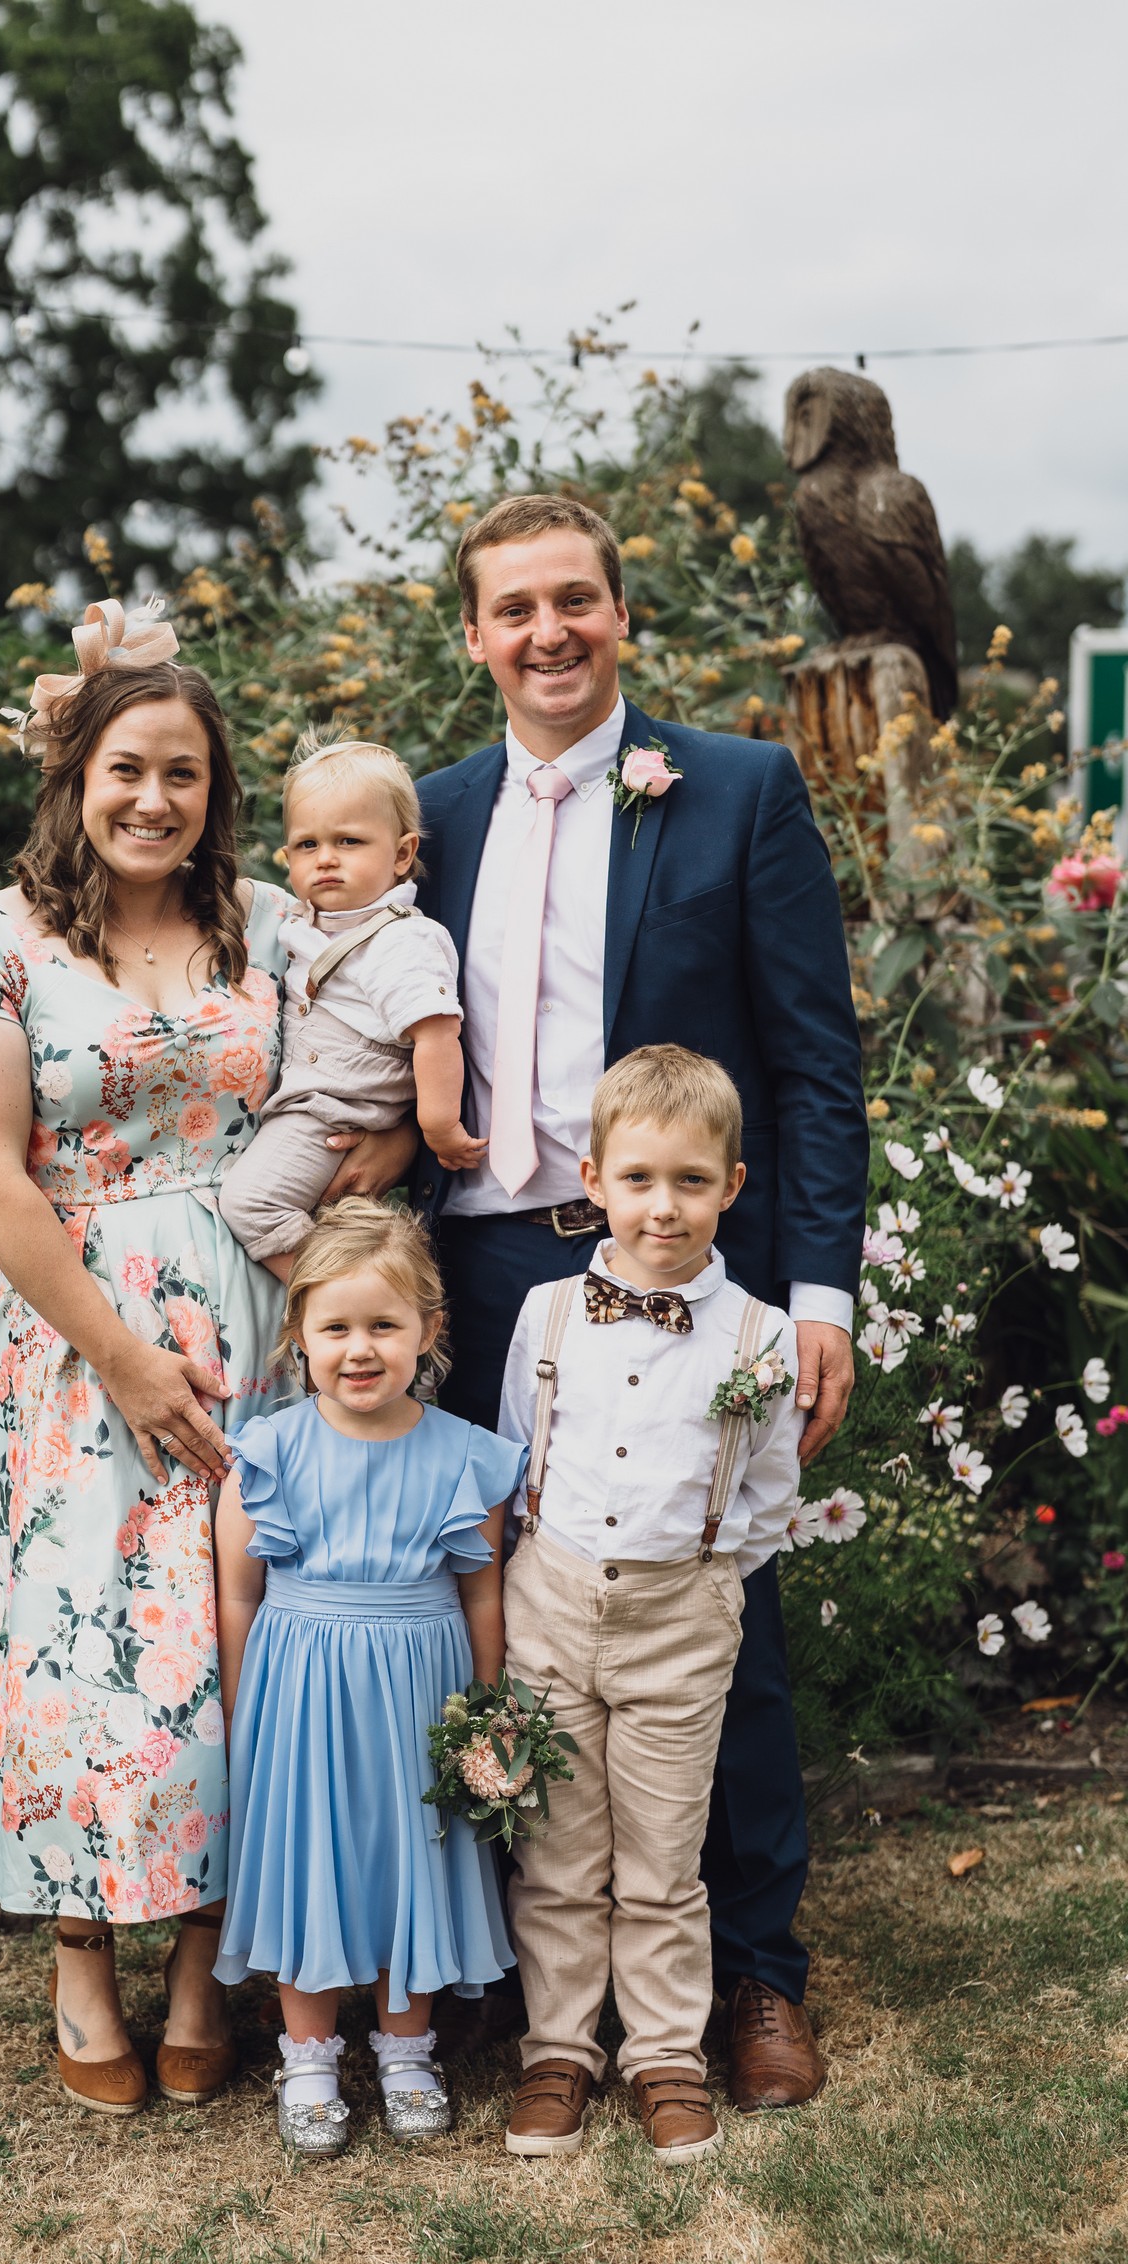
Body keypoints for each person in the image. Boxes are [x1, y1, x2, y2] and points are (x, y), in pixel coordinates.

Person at [0, 602, 410, 2121]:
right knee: (85, 1657)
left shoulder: (274, 927)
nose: (153, 800)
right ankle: (78, 1964)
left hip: (265, 1326)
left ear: (216, 787)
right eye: (127, 767)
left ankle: (203, 1968)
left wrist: (336, 1215)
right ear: (76, 774)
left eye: (183, 773)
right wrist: (123, 1358)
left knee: (230, 1648)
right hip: (79, 1339)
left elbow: (364, 1095)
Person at [413, 493, 869, 2109]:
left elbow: (814, 1059)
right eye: (512, 608)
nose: (547, 633)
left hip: (684, 1255)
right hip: (475, 1272)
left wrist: (817, 1288)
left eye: (574, 602)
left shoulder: (735, 789)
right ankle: (510, 1982)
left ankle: (752, 1975)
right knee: (486, 1625)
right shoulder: (432, 814)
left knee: (710, 1617)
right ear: (471, 634)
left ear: (621, 613)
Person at [497, 1046, 802, 2165]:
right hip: (552, 1602)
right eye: (636, 1180)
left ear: (730, 1185)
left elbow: (770, 1491)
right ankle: (558, 2050)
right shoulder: (545, 1315)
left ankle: (666, 2054)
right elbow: (516, 1451)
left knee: (666, 1859)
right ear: (591, 1179)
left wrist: (708, 1573)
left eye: (687, 1181)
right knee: (558, 1852)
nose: (660, 1207)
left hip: (682, 1617)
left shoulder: (757, 1336)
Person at [212, 1200, 522, 2155]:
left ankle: (405, 2050)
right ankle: (307, 2056)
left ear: (428, 1332)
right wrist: (240, 1709)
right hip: (301, 1699)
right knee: (311, 1860)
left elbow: (481, 1596)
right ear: (297, 1334)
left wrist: (486, 1708)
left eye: (384, 1326)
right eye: (335, 1327)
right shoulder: (266, 1455)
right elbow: (237, 1597)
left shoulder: (465, 1458)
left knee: (411, 1859)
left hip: (421, 1695)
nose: (359, 1349)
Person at [218, 730, 481, 1276]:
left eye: (350, 842)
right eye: (308, 846)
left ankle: (344, 1295)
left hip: (333, 1112)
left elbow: (436, 1034)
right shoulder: (309, 923)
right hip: (311, 1105)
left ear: (403, 853)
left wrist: (436, 1128)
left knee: (252, 1207)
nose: (326, 860)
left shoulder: (400, 939)